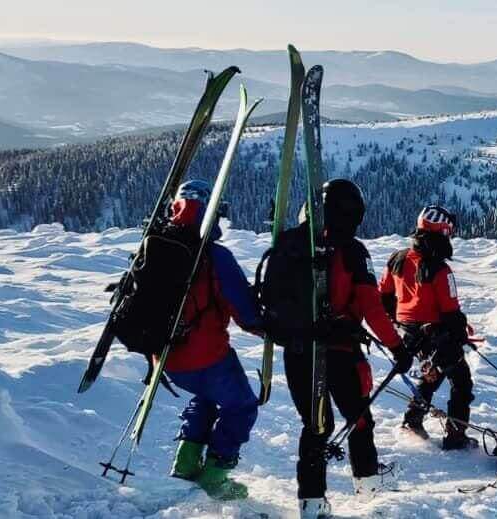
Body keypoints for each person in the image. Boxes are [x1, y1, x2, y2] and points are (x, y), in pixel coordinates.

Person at [279, 179, 412, 519]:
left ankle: (311, 502)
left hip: (297, 351)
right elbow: (371, 308)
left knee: (314, 425)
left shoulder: (290, 245)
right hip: (339, 351)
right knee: (359, 417)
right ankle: (367, 480)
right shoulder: (352, 251)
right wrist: (397, 347)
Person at [163, 180, 264, 500]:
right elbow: (244, 312)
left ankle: (186, 462)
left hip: (165, 356)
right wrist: (267, 326)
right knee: (243, 405)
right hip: (205, 355)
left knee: (206, 396)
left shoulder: (157, 246)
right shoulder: (215, 256)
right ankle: (215, 476)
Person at [379, 205, 476, 451]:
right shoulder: (441, 270)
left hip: (407, 332)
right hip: (437, 332)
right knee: (461, 381)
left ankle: (413, 422)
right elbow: (450, 311)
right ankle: (455, 435)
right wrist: (460, 333)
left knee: (431, 376)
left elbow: (384, 296)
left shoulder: (397, 259)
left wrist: (397, 323)